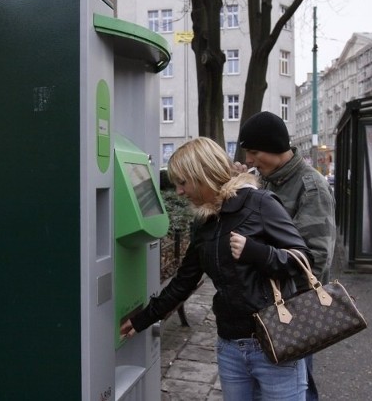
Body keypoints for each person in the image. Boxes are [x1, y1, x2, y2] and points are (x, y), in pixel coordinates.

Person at [120, 137, 312, 401]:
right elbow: (184, 281)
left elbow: (302, 260)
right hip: (230, 348)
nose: (179, 192)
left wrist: (256, 252)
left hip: (275, 343)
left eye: (183, 183)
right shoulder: (204, 222)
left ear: (202, 175)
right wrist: (143, 319)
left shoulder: (260, 203)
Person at [237, 111, 337, 401]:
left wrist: (259, 255)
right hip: (269, 304)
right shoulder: (267, 181)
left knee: (298, 385)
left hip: (296, 307)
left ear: (275, 147)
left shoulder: (311, 186)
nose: (251, 160)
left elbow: (315, 259)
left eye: (254, 152)